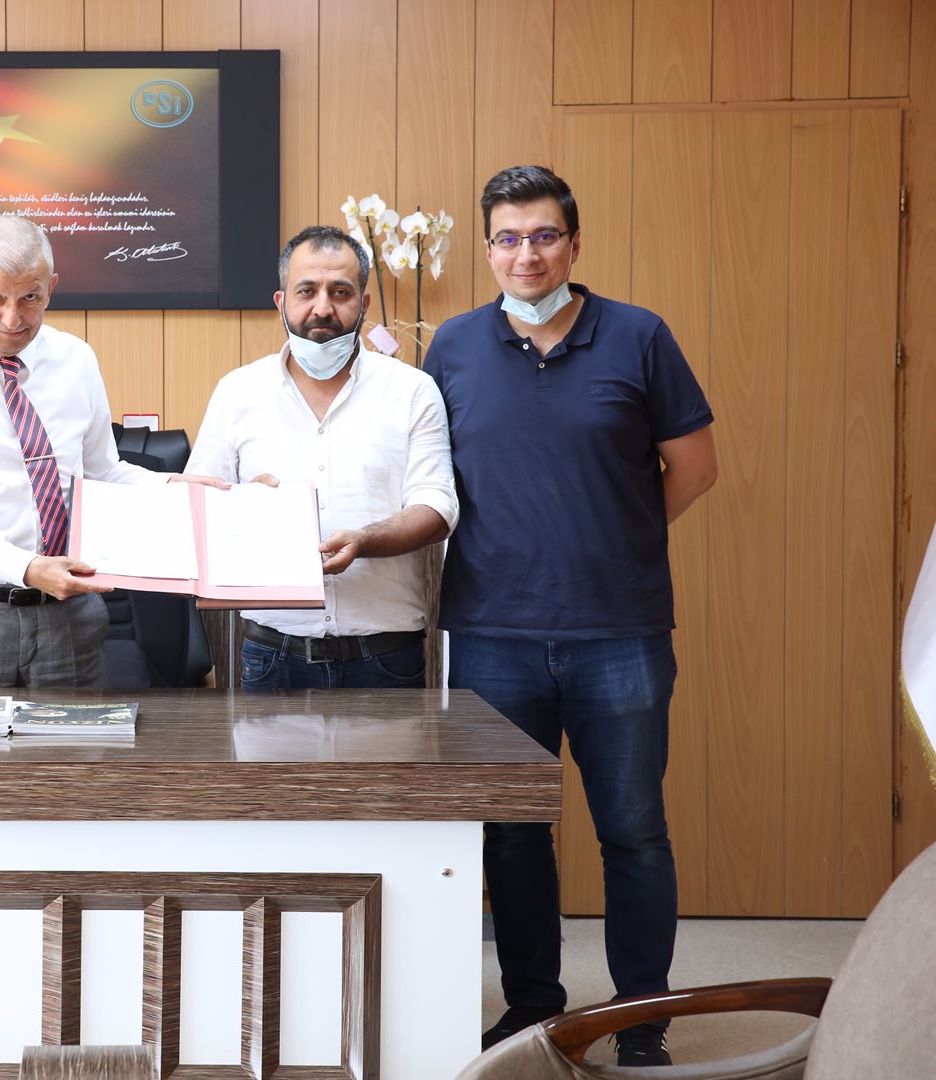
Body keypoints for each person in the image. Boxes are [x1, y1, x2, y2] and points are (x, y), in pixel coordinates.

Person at [423, 165, 718, 1067]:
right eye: (508, 238)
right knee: (513, 836)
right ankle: (534, 1011)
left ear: (575, 243)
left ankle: (642, 1019)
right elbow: (431, 477)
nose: (528, 254)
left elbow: (695, 467)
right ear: (488, 249)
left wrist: (616, 538)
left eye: (545, 235)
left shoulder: (639, 336)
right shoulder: (453, 347)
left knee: (633, 831)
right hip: (491, 635)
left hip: (619, 634)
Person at [0, 216, 218, 688]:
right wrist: (26, 568)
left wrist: (174, 486)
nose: (13, 319)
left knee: (73, 740)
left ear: (51, 289)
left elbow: (103, 473)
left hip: (68, 617)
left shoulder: (76, 360)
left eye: (30, 298)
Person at [185, 225, 456, 689]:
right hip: (272, 655)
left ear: (364, 304)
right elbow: (197, 506)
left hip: (386, 658)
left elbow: (437, 507)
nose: (323, 308)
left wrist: (364, 541)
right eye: (306, 291)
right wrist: (241, 505)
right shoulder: (238, 392)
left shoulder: (412, 390)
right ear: (281, 301)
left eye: (340, 292)